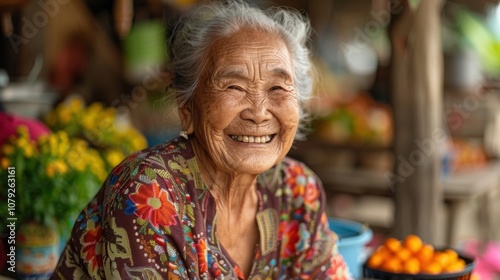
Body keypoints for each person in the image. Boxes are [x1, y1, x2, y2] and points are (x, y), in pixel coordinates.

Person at [51, 0, 351, 279]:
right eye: (234, 87)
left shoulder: (298, 191)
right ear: (187, 112)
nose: (259, 113)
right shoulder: (149, 192)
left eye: (278, 88)